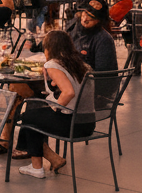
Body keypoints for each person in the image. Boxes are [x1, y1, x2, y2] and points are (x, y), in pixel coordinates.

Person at [15, 30, 94, 179]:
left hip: (71, 124)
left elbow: (69, 92)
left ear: (49, 48)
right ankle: (51, 159)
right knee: (34, 118)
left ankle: (38, 166)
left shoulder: (53, 64)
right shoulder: (81, 65)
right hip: (87, 123)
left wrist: (54, 107)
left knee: (28, 118)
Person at [69, 0, 118, 73]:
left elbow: (103, 74)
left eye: (91, 17)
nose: (85, 19)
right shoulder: (73, 29)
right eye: (84, 14)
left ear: (99, 21)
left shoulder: (104, 40)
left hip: (91, 81)